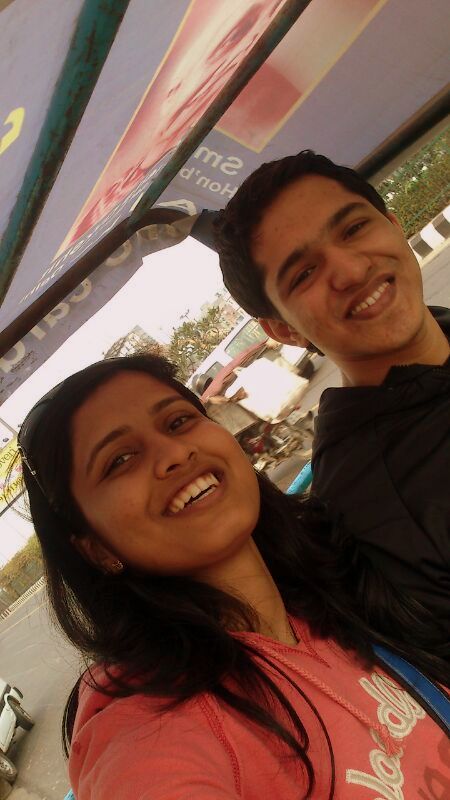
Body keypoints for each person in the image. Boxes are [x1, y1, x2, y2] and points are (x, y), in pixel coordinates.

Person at [17, 353, 448, 800]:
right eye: (120, 459)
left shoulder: (347, 575)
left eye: (178, 421)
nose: (175, 453)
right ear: (96, 548)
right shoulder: (153, 729)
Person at [214, 149, 450, 628]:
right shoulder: (372, 503)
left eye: (354, 228)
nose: (351, 271)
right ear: (283, 329)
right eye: (304, 274)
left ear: (393, 225)